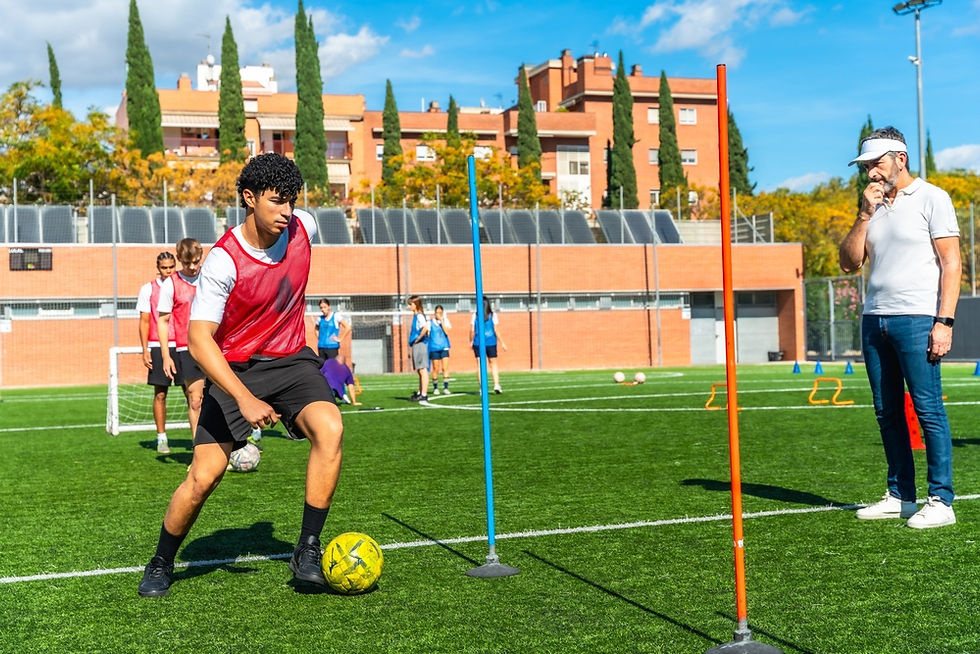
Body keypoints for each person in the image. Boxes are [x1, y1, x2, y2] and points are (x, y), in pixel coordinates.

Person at [138, 153, 344, 597]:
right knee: (204, 477)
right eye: (276, 202)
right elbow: (199, 340)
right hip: (236, 369)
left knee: (331, 428)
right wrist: (244, 398)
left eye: (292, 201)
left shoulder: (304, 226)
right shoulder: (223, 261)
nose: (287, 212)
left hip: (292, 360)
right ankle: (161, 561)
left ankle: (307, 549)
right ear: (249, 199)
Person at [839, 126, 960, 529]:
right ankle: (901, 496)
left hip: (918, 318)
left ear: (900, 159)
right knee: (886, 411)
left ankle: (941, 501)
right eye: (865, 166)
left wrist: (944, 322)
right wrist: (863, 214)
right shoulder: (869, 207)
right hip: (875, 319)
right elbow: (848, 262)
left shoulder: (932, 198)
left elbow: (951, 263)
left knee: (928, 410)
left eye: (875, 163)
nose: (870, 172)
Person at [157, 238, 206, 442]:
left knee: (222, 399)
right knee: (195, 401)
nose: (192, 267)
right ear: (179, 260)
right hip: (187, 349)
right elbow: (163, 320)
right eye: (187, 263)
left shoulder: (210, 278)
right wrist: (166, 356)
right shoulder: (171, 284)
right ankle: (199, 452)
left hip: (216, 347)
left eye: (195, 262)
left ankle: (231, 446)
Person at [137, 252, 178, 454]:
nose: (168, 271)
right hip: (157, 345)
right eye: (164, 267)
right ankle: (162, 438)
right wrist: (145, 349)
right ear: (158, 268)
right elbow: (144, 321)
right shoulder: (148, 289)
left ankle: (199, 439)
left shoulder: (182, 285)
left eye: (171, 267)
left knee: (193, 395)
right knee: (160, 393)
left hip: (182, 346)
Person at [469, 298, 507, 394]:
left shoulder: (475, 315)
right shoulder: (492, 315)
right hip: (490, 342)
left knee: (480, 365)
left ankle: (482, 387)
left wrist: (471, 341)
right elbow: (496, 330)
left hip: (478, 342)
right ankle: (496, 384)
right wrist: (502, 342)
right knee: (493, 363)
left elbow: (472, 330)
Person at [406, 295, 430, 402]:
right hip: (417, 345)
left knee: (422, 369)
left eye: (410, 304)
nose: (409, 306)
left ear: (416, 304)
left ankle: (424, 394)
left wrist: (418, 338)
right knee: (419, 370)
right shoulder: (416, 316)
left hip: (420, 344)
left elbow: (425, 328)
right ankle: (420, 392)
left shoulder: (420, 316)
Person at [428, 304, 452, 395]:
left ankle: (446, 387)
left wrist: (442, 321)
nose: (438, 314)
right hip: (434, 347)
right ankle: (435, 387)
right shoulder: (430, 322)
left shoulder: (446, 321)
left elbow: (447, 332)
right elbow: (428, 333)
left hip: (444, 346)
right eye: (437, 313)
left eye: (440, 313)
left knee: (445, 367)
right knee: (435, 368)